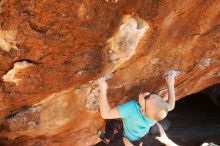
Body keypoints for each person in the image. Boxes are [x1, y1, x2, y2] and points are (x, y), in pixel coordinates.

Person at [98, 72, 176, 146]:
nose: (147, 93)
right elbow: (171, 106)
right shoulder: (155, 113)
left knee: (111, 122)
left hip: (128, 136)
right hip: (142, 134)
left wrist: (102, 89)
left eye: (147, 97)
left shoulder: (132, 108)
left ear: (142, 110)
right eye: (153, 94)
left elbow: (106, 114)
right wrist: (171, 84)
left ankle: (107, 138)